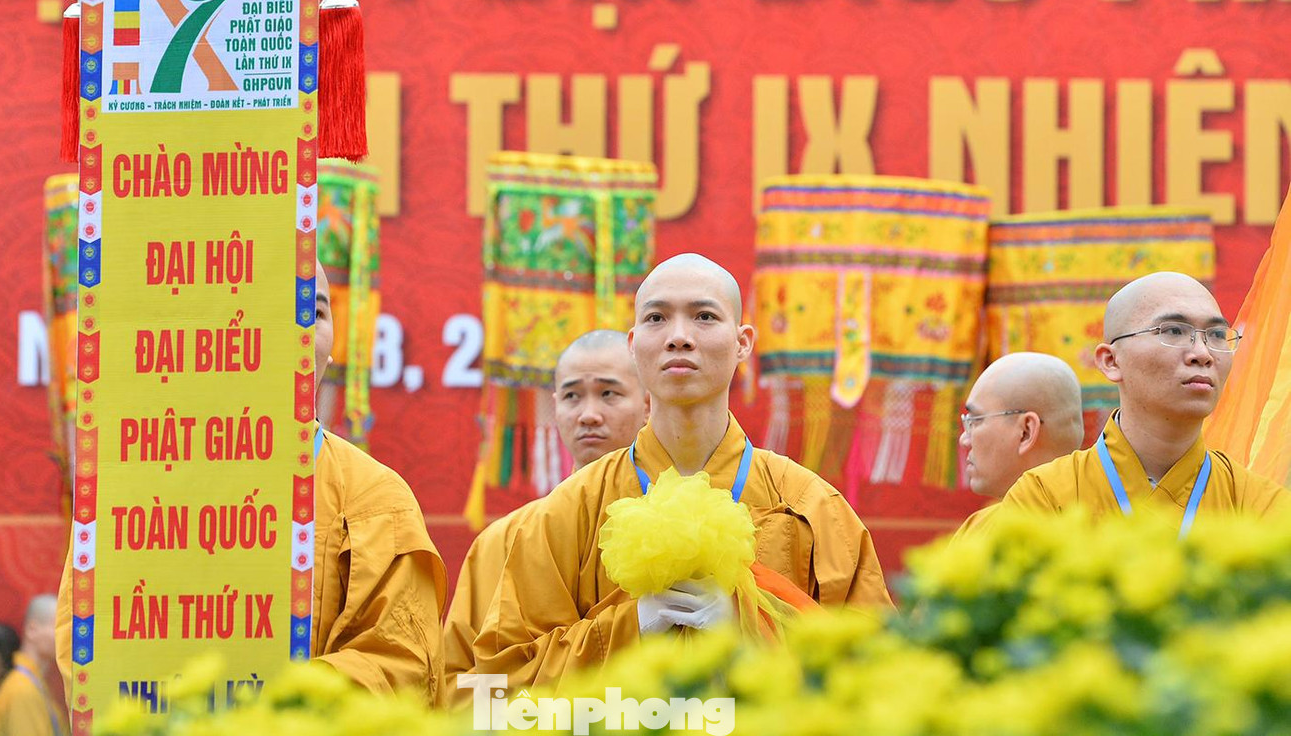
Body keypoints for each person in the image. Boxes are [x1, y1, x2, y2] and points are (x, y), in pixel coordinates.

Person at [471, 254, 892, 690]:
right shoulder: (568, 512)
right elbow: (497, 686)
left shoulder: (809, 508)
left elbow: (878, 674)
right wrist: (628, 627)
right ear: (633, 343)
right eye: (656, 318)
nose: (678, 337)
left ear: (743, 342)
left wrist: (748, 624)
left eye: (704, 316)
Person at [58, 260, 447, 700]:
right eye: (273, 309)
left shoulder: (373, 498)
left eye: (315, 313)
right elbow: (85, 648)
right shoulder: (135, 492)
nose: (298, 330)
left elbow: (400, 665)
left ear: (330, 349)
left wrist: (266, 698)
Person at [441, 329, 648, 703]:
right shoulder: (503, 541)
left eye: (609, 394)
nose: (588, 414)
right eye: (572, 396)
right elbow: (456, 688)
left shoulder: (674, 530)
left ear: (648, 403)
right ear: (555, 407)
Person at [997, 272, 1289, 524]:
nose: (1202, 353)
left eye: (1216, 335)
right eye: (1174, 331)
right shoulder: (1044, 497)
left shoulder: (1261, 506)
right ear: (1111, 361)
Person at [953, 353, 1085, 537]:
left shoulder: (1083, 533)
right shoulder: (975, 527)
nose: (964, 440)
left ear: (1026, 432)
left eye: (975, 420)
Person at [0, 598, 63, 736]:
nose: (67, 636)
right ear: (32, 630)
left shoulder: (33, 682)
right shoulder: (22, 689)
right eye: (59, 627)